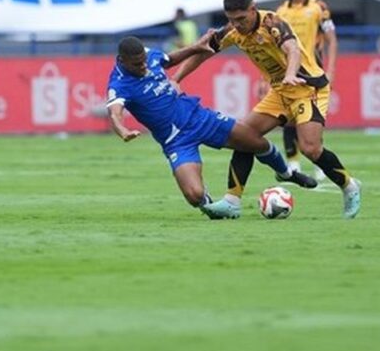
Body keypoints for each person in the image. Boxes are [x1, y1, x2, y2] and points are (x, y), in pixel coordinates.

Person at [173, 0, 361, 219]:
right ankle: (232, 201)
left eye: (241, 19)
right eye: (232, 19)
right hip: (280, 91)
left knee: (310, 149)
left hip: (307, 87)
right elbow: (203, 52)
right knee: (243, 136)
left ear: (253, 9)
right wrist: (176, 79)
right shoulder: (232, 30)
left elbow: (293, 49)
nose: (237, 25)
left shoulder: (273, 23)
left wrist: (290, 74)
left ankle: (349, 186)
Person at [106, 34, 316, 218]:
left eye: (143, 61)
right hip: (176, 141)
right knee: (194, 195)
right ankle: (211, 205)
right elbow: (115, 113)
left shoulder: (148, 55)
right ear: (122, 61)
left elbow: (169, 60)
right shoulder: (119, 84)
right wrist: (123, 130)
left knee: (257, 142)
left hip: (199, 118)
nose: (143, 66)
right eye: (137, 64)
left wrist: (196, 47)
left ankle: (286, 174)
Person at [275, 0, 338, 182]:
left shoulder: (319, 7)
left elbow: (331, 40)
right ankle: (293, 164)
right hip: (287, 72)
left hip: (313, 73)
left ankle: (318, 161)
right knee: (288, 118)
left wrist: (331, 70)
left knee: (312, 119)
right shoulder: (280, 12)